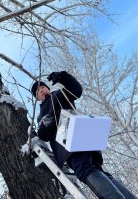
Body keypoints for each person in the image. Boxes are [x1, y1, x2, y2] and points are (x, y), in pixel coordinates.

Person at [31, 71, 137, 199]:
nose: (41, 90)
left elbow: (76, 90)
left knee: (85, 170)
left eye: (43, 86)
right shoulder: (40, 116)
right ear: (37, 98)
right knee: (99, 172)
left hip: (71, 142)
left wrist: (63, 77)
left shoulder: (58, 95)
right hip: (83, 139)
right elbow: (43, 136)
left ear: (48, 88)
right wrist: (47, 123)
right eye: (38, 90)